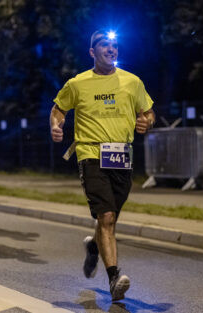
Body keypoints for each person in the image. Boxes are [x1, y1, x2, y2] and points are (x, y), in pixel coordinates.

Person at [50, 30, 155, 302]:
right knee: (106, 218)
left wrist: (147, 122)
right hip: (91, 154)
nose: (111, 49)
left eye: (114, 45)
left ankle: (95, 247)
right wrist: (55, 125)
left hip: (122, 157)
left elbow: (148, 112)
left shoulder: (132, 82)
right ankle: (113, 279)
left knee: (109, 218)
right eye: (104, 45)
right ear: (92, 52)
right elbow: (59, 108)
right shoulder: (78, 83)